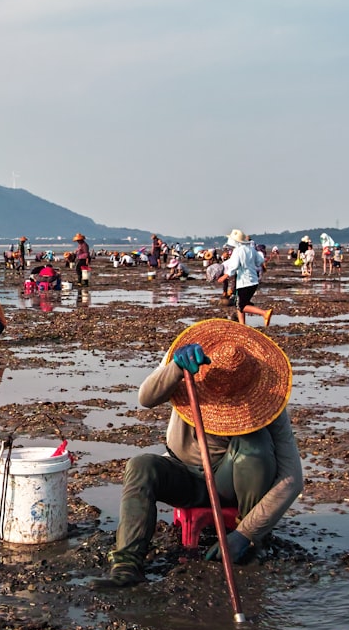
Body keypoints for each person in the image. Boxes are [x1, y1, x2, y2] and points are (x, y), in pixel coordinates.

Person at [94, 319, 303, 587]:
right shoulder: (185, 366)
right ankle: (127, 565)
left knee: (256, 447)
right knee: (141, 465)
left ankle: (250, 545)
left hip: (232, 483)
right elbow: (146, 398)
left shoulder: (268, 403)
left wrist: (246, 533)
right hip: (184, 474)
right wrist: (176, 368)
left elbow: (292, 479)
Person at [218, 229, 272, 327]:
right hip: (253, 281)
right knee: (240, 304)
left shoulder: (237, 251)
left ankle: (264, 313)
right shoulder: (251, 249)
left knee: (241, 306)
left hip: (244, 282)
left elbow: (234, 266)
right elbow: (259, 261)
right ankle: (242, 325)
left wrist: (225, 276)